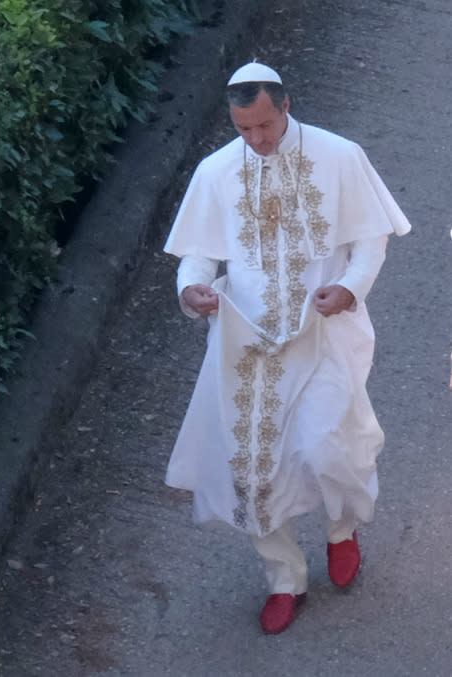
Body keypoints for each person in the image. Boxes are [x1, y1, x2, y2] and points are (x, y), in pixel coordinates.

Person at [163, 62, 410, 634]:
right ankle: (284, 579)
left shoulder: (339, 157)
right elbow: (198, 255)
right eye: (243, 129)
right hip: (245, 344)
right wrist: (189, 290)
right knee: (251, 471)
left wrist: (349, 288)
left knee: (327, 447)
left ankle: (341, 531)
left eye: (264, 126)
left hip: (322, 330)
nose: (255, 140)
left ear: (285, 105)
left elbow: (369, 243)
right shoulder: (217, 171)